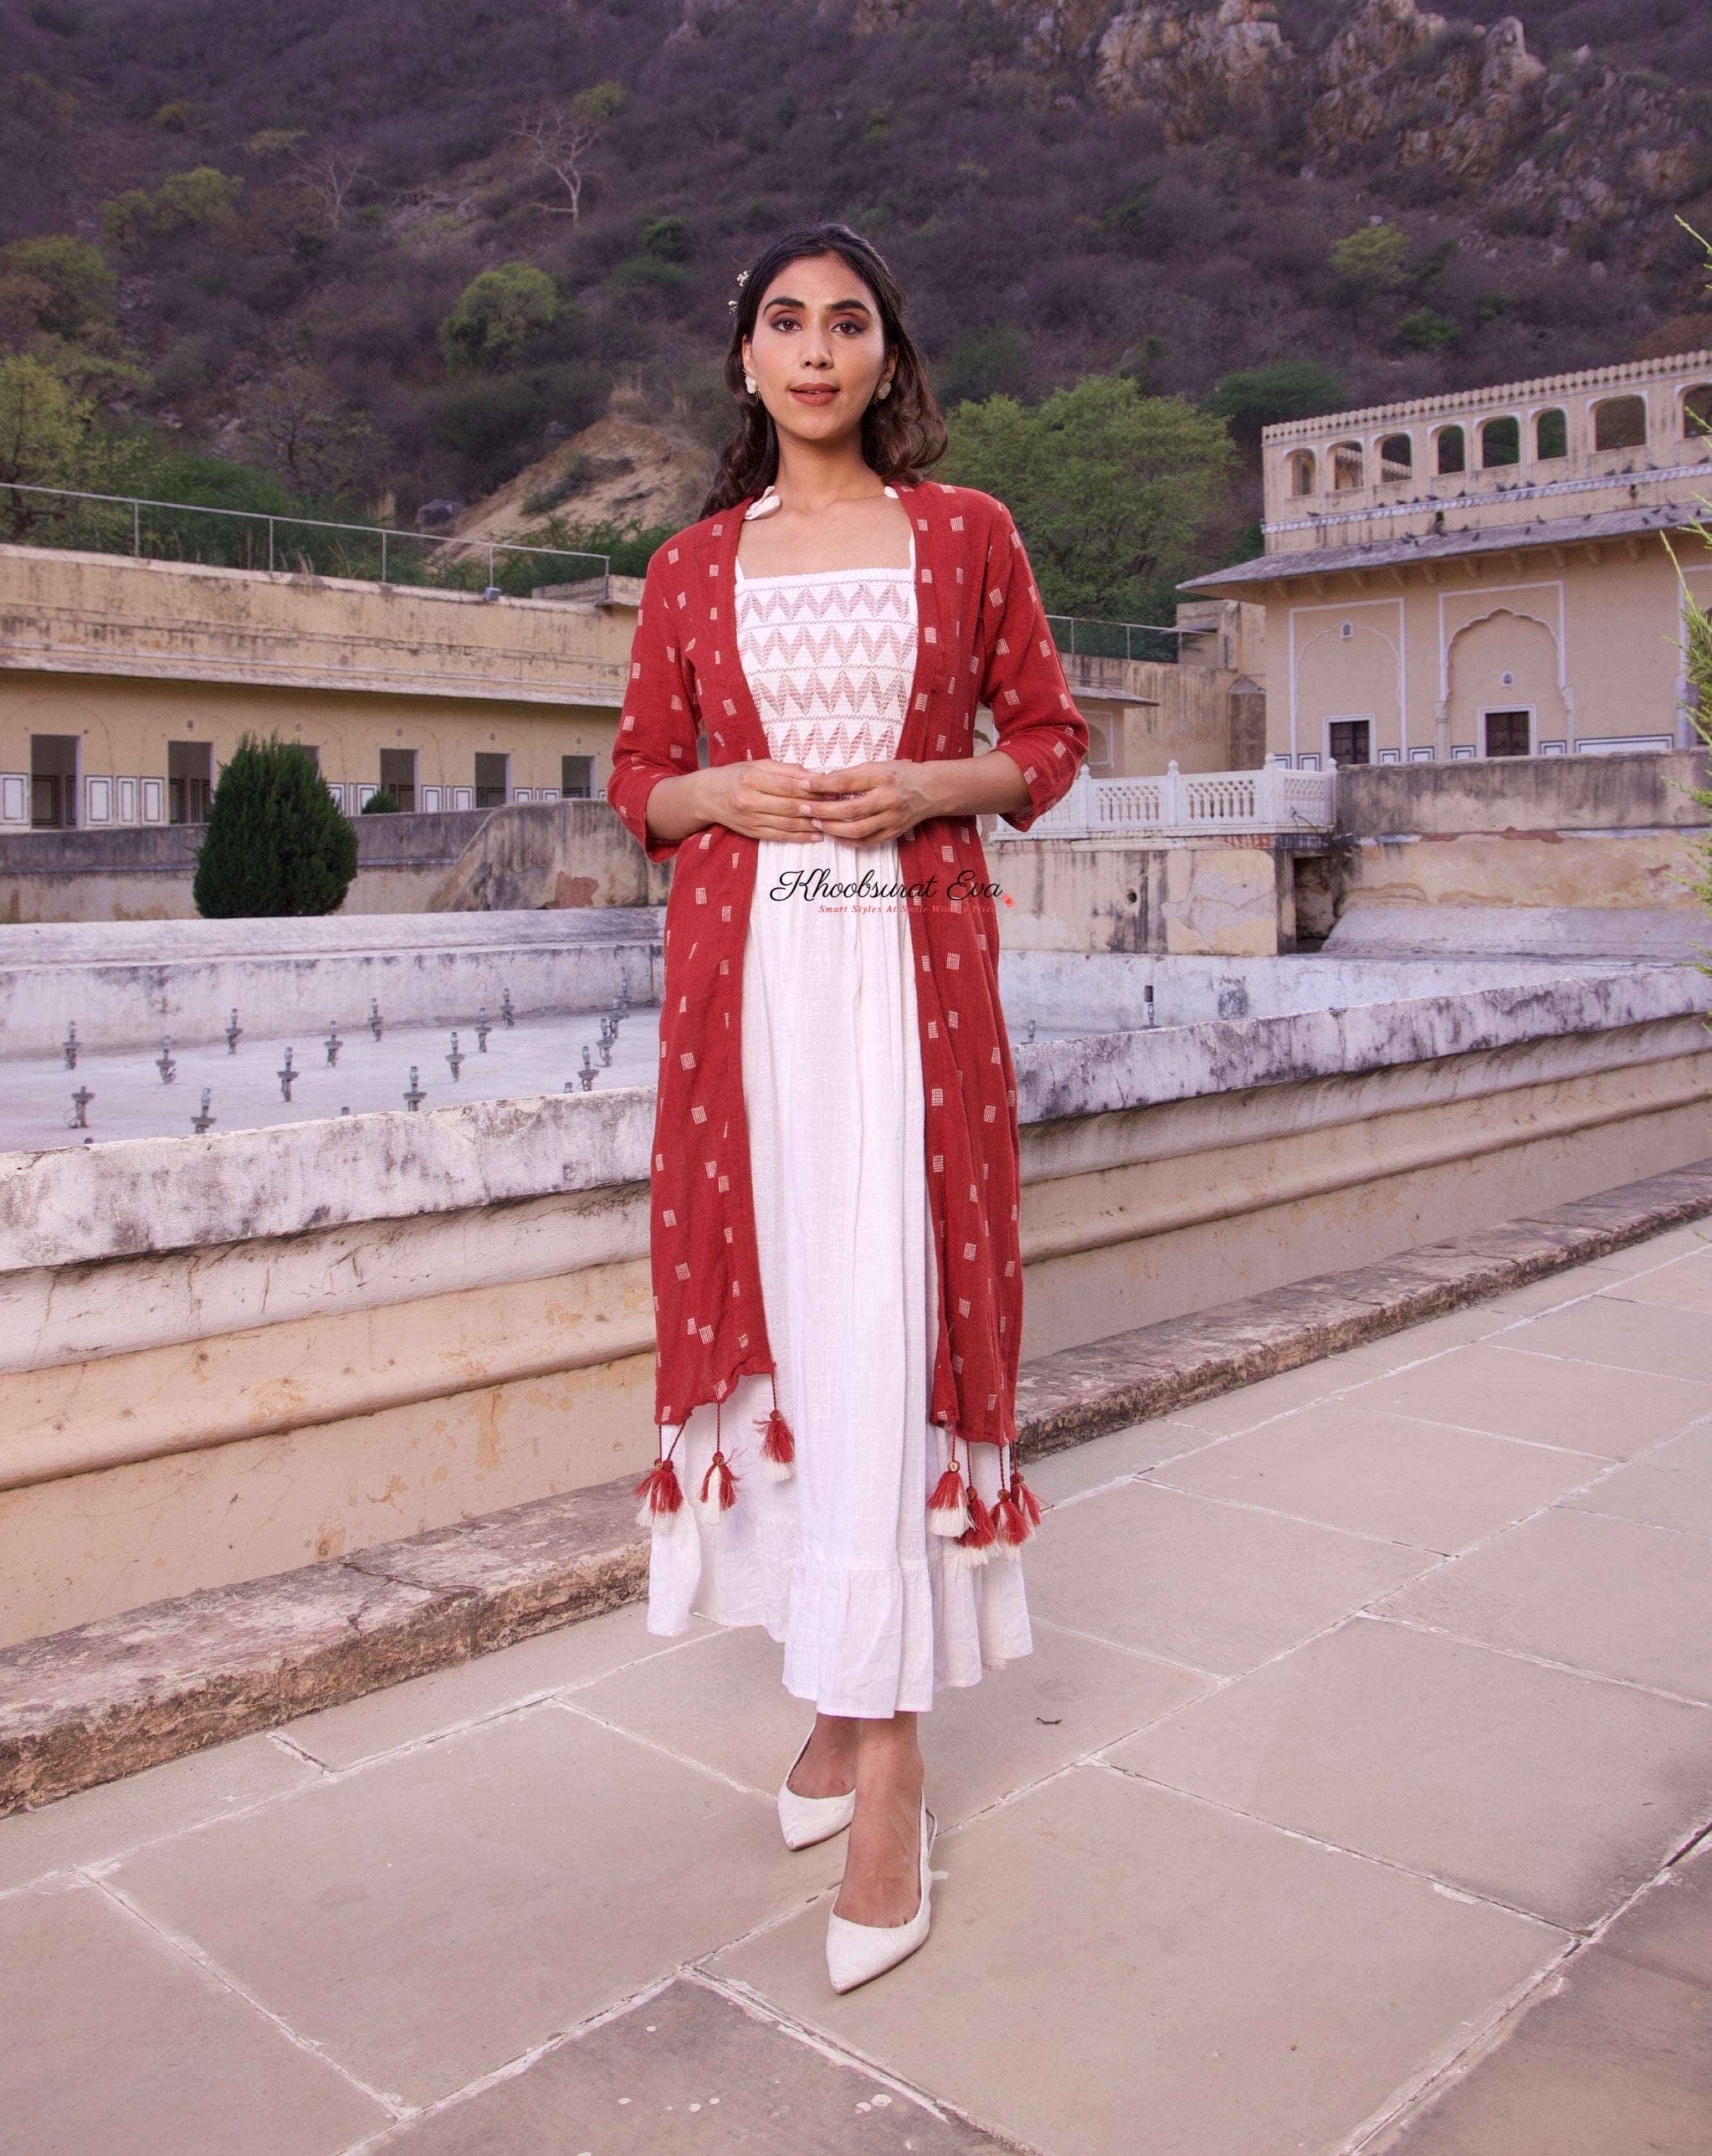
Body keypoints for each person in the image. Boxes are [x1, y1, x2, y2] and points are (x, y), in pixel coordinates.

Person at [605, 221, 1089, 1991]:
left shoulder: (967, 537)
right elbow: (638, 784)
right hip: (746, 1005)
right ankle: (831, 1709)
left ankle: (889, 1774)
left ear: (891, 356)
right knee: (798, 1347)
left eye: (851, 321)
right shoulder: (685, 567)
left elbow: (1047, 737)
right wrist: (719, 787)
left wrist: (923, 788)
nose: (818, 349)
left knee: (888, 1337)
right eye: (787, 322)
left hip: (910, 981)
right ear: (745, 358)